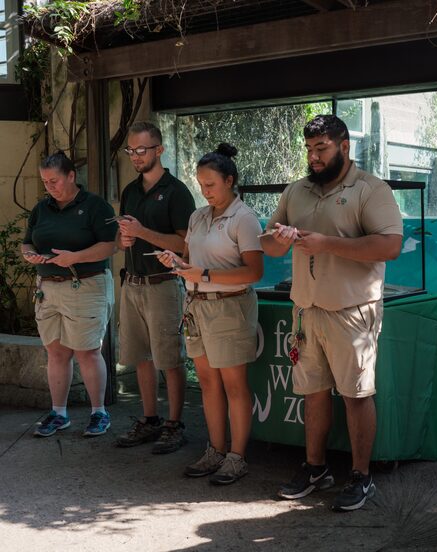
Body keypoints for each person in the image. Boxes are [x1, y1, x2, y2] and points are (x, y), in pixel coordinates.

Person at [261, 114, 403, 511]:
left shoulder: (370, 189)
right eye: (309, 149)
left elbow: (390, 245)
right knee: (313, 392)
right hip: (307, 310)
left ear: (344, 146)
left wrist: (328, 244)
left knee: (357, 394)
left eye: (321, 148)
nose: (314, 157)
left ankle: (361, 476)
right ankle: (315, 467)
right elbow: (269, 247)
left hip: (352, 310)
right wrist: (278, 237)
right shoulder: (297, 190)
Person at [158, 143, 263, 485]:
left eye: (211, 185)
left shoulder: (244, 218)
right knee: (206, 382)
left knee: (234, 384)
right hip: (196, 307)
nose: (206, 192)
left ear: (230, 180)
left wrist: (203, 275)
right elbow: (189, 259)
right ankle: (215, 449)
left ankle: (236, 456)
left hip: (229, 306)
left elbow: (253, 273)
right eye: (201, 185)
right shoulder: (198, 216)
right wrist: (175, 264)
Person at [22, 152, 117, 437]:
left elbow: (109, 247)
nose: (49, 187)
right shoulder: (41, 208)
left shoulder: (95, 206)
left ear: (71, 176)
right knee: (55, 351)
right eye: (45, 182)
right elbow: (27, 243)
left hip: (85, 285)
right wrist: (31, 257)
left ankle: (99, 412)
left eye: (54, 180)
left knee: (87, 351)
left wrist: (75, 257)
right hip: (48, 288)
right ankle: (58, 413)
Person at [114, 122, 196, 454]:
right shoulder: (130, 191)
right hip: (132, 283)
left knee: (169, 358)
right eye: (130, 150)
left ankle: (174, 425)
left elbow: (185, 244)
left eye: (141, 150)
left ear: (159, 150)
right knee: (140, 357)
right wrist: (125, 238)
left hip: (164, 285)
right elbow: (123, 237)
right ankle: (150, 420)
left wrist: (143, 232)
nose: (135, 156)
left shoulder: (177, 192)